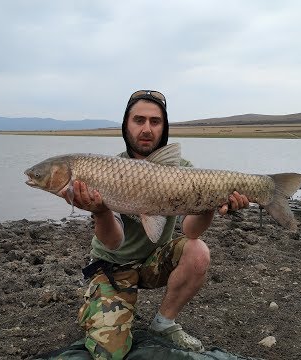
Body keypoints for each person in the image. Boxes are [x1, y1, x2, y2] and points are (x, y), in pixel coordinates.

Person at [61, 90, 249, 359]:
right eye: (139, 120)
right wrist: (101, 211)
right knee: (109, 353)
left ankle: (163, 324)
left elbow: (191, 232)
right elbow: (113, 242)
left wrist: (211, 204)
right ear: (126, 126)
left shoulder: (182, 169)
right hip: (113, 266)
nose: (147, 128)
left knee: (198, 251)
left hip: (154, 261)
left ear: (164, 127)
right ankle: (99, 305)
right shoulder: (107, 170)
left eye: (155, 121)